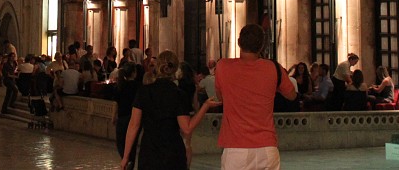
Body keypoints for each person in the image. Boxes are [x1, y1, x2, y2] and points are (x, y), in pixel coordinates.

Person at [215, 24, 297, 170]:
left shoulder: (223, 66)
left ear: (239, 42)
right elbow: (291, 95)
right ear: (262, 46)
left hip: (236, 148)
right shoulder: (274, 68)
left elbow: (220, 97)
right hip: (267, 147)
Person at [120, 50, 219, 170]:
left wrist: (126, 156)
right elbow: (187, 129)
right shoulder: (179, 95)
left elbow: (133, 126)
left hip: (149, 153)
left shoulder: (143, 92)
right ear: (175, 69)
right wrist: (205, 106)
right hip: (173, 153)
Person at [114, 62, 141, 166]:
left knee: (121, 142)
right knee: (132, 143)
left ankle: (126, 160)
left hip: (122, 117)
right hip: (134, 118)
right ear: (134, 73)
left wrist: (114, 116)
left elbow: (116, 103)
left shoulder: (120, 85)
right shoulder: (138, 86)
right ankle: (130, 162)